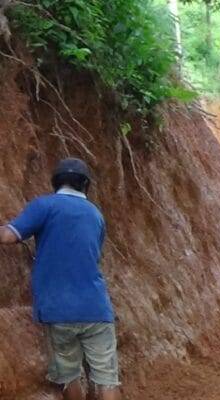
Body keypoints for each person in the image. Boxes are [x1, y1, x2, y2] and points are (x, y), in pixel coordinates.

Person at [0, 158, 120, 400]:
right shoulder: (96, 215)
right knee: (107, 378)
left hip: (58, 311)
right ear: (85, 184)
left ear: (56, 182)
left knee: (69, 376)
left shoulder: (44, 206)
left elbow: (8, 237)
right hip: (97, 309)